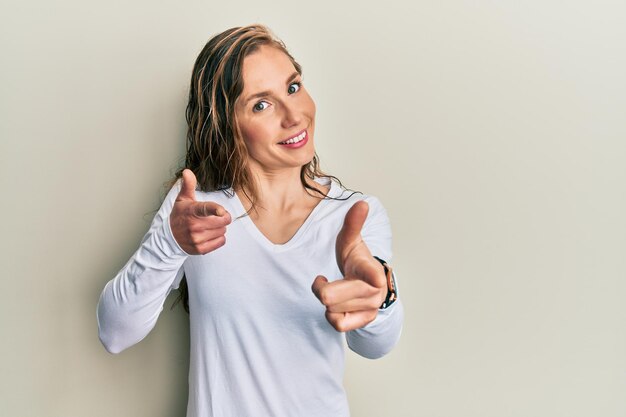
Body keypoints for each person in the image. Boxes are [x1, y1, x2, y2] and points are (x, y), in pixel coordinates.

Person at [97, 24, 403, 417]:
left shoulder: (354, 215)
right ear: (228, 125)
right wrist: (169, 243)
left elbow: (376, 346)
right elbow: (115, 334)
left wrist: (381, 293)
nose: (294, 116)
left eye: (293, 87)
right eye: (262, 104)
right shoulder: (195, 210)